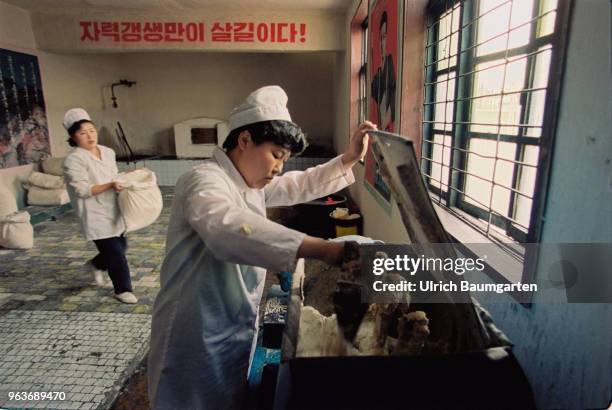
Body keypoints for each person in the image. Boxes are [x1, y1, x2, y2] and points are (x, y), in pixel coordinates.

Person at [148, 85, 377, 409]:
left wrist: (350, 158)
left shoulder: (249, 185)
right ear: (244, 141)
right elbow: (226, 227)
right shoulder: (203, 180)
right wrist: (326, 250)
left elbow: (300, 183)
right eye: (276, 155)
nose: (279, 167)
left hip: (232, 321)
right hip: (195, 327)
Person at [62, 108, 137, 304]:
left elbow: (113, 175)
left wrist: (125, 181)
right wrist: (110, 185)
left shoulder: (107, 152)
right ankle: (123, 290)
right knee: (115, 252)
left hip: (113, 207)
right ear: (73, 137)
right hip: (94, 212)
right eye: (82, 133)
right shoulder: (74, 159)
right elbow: (82, 190)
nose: (89, 136)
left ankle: (96, 265)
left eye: (92, 130)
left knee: (122, 245)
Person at [371, 10, 396, 131]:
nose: (382, 43)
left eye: (385, 37)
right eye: (381, 38)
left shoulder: (390, 65)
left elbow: (394, 96)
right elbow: (373, 91)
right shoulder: (380, 72)